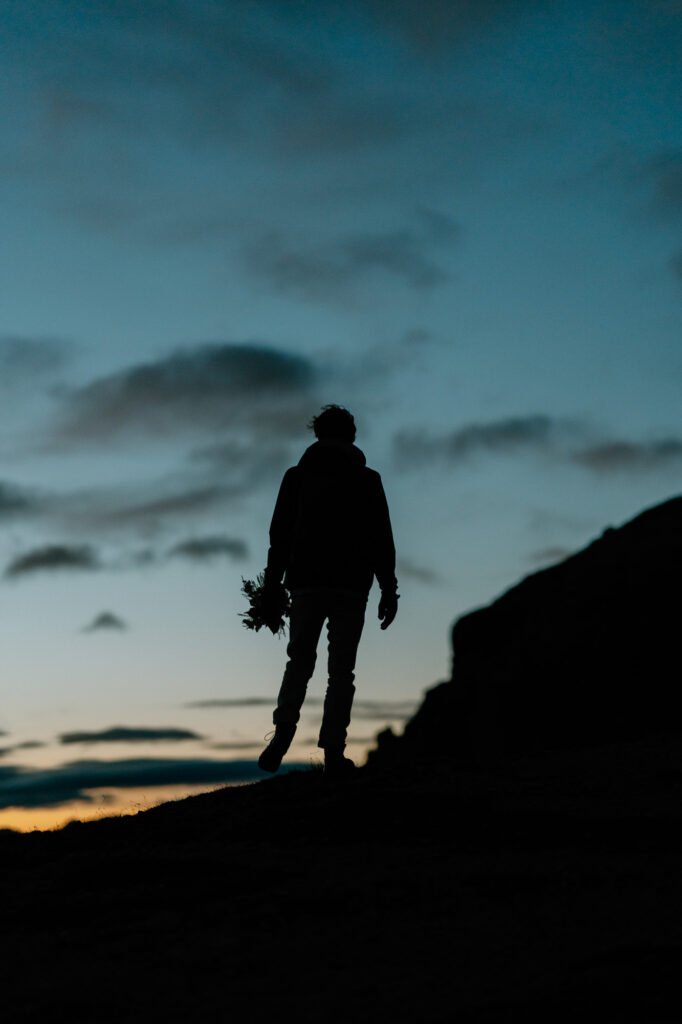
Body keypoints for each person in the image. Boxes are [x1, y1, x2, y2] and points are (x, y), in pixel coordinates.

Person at [258, 405, 398, 777]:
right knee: (342, 672)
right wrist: (389, 588)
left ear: (317, 435)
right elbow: (381, 538)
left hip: (305, 582)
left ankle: (283, 733)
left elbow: (279, 536)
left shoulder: (297, 477)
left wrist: (272, 585)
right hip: (352, 585)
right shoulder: (368, 480)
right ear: (351, 435)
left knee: (299, 662)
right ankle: (334, 751)